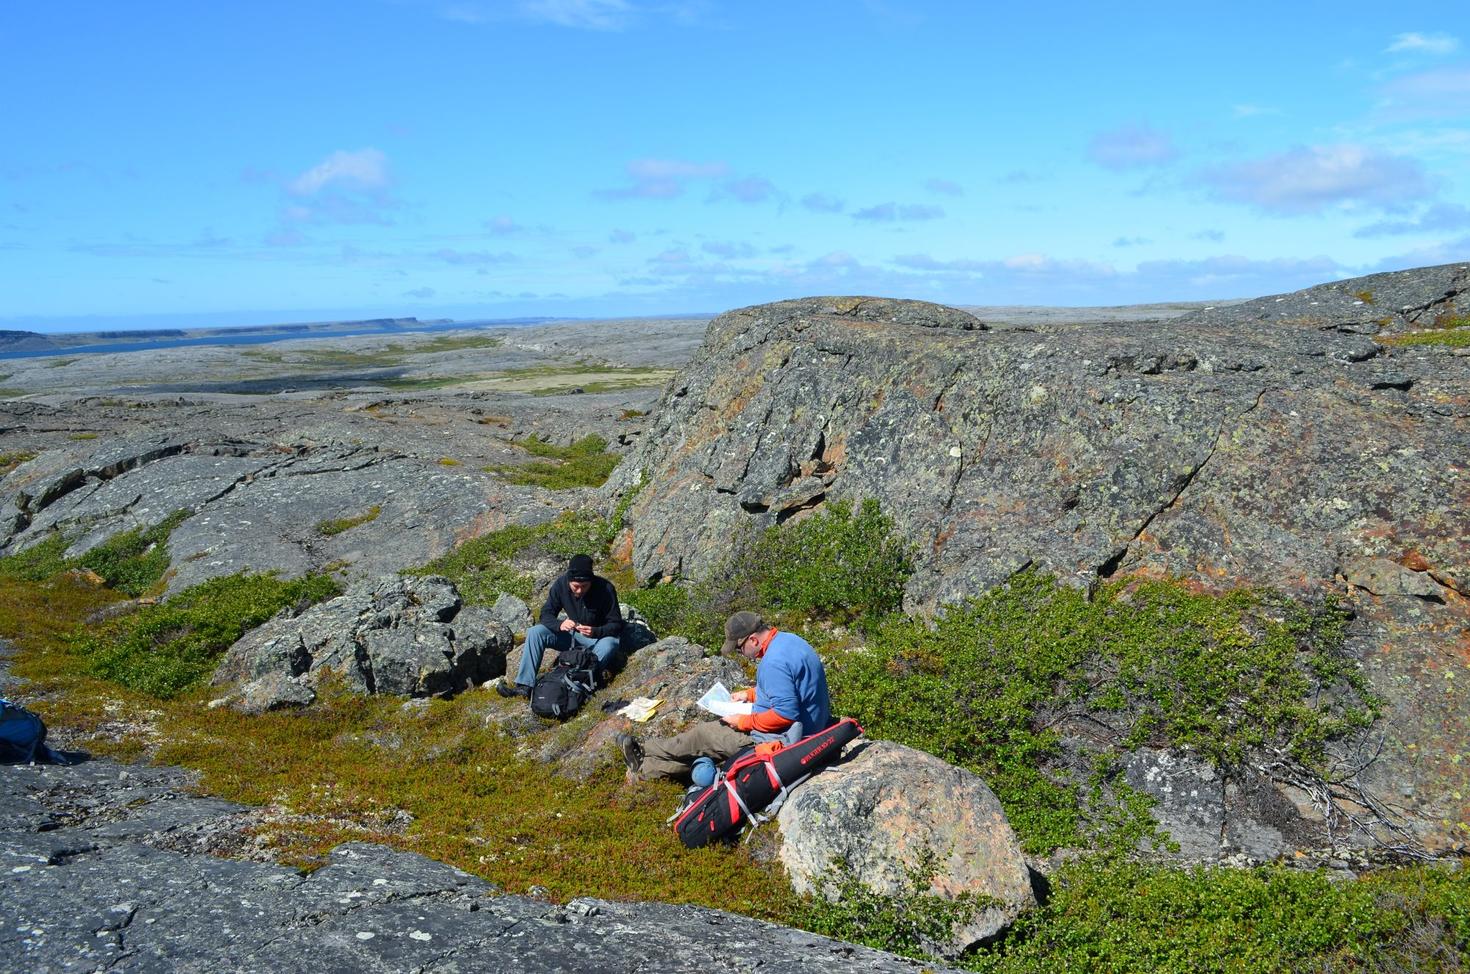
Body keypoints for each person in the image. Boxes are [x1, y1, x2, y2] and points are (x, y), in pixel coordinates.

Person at [616, 610, 831, 781]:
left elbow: (785, 715)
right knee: (707, 747)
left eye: (739, 649)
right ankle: (646, 767)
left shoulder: (772, 662)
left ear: (753, 640)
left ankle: (645, 751)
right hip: (809, 726)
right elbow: (790, 688)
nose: (741, 655)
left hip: (785, 738)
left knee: (703, 735)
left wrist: (743, 722)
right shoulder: (789, 641)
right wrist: (749, 694)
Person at [498, 553, 624, 698]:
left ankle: (579, 683)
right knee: (536, 632)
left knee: (611, 644)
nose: (579, 590)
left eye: (584, 586)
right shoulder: (560, 585)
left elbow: (616, 624)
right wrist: (560, 624)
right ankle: (525, 686)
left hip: (598, 640)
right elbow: (546, 614)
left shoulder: (605, 588)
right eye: (575, 586)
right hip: (572, 637)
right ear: (569, 580)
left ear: (592, 581)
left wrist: (596, 631)